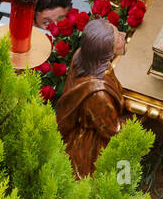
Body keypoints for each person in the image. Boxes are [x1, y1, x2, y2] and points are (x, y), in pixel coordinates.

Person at [54, 18, 126, 177]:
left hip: (86, 121)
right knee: (98, 176)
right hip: (89, 144)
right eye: (118, 39)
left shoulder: (82, 55)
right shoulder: (97, 95)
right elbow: (111, 130)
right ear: (105, 51)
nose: (124, 35)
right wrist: (133, 124)